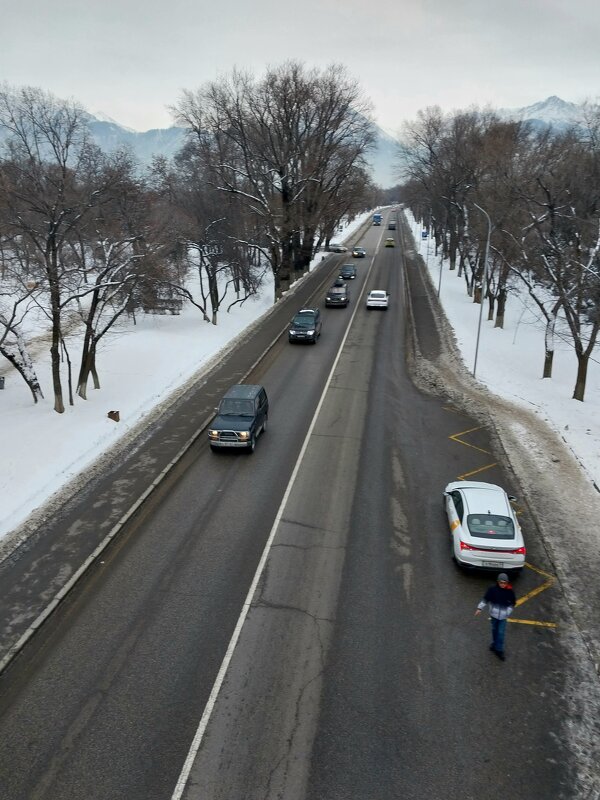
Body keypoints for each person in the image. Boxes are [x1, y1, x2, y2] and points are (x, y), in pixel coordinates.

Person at [474, 573, 517, 661]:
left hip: (503, 618)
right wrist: (479, 608)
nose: (503, 585)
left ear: (507, 583)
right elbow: (486, 599)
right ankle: (494, 644)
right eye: (501, 583)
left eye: (504, 583)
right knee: (494, 630)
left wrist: (508, 612)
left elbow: (513, 603)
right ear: (498, 582)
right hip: (493, 616)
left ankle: (499, 650)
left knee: (500, 633)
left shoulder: (510, 592)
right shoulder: (492, 590)